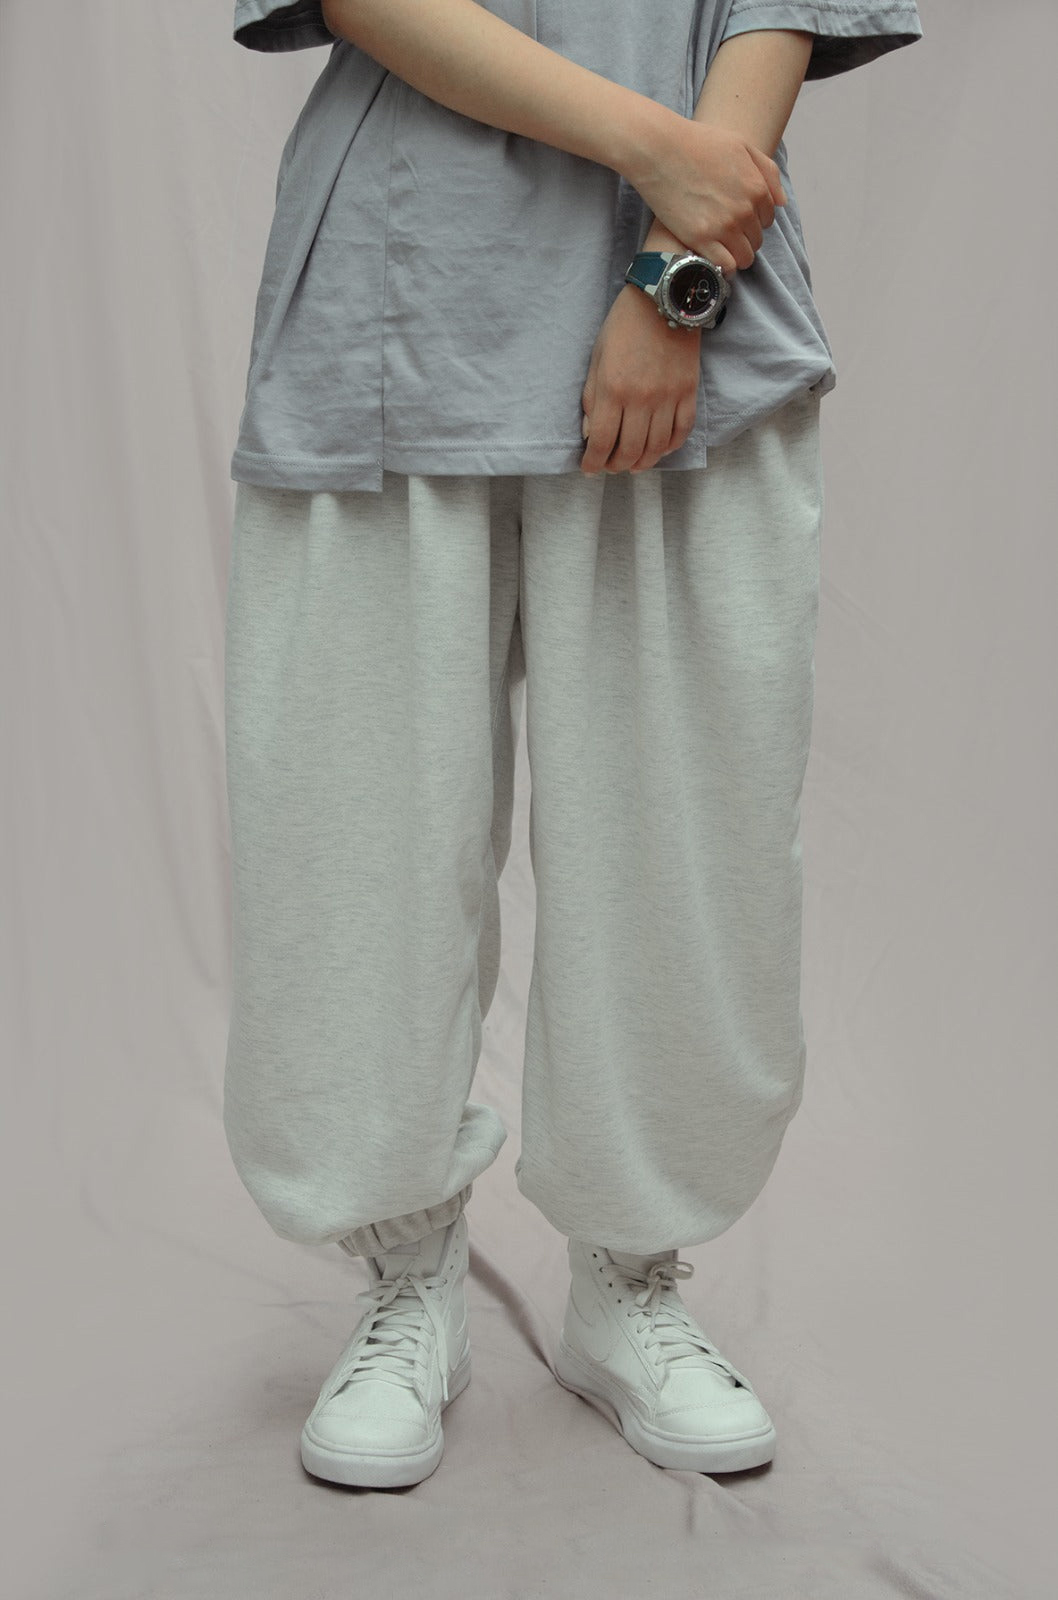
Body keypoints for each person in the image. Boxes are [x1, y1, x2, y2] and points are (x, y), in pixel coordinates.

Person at [222, 0, 923, 1489]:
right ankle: (407, 1273)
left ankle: (627, 1274)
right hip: (393, 293)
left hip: (701, 326)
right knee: (353, 843)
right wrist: (661, 157)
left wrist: (674, 283)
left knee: (690, 835)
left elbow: (778, 9)